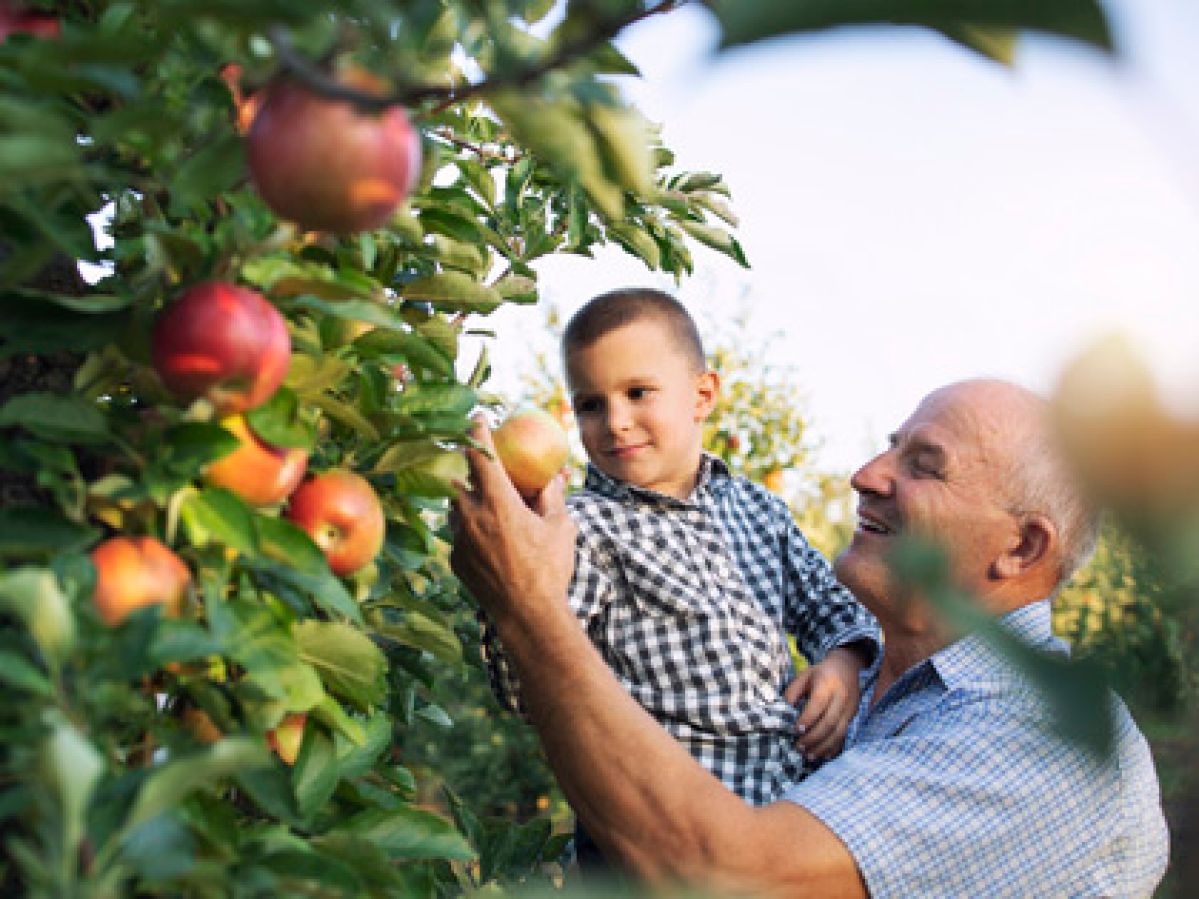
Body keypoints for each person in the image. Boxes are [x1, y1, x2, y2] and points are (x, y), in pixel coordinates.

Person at [451, 377, 1170, 897]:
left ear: (1019, 548)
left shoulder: (1044, 739)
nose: (865, 474)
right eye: (889, 448)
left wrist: (528, 605)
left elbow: (729, 878)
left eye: (924, 465)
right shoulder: (859, 694)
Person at [479, 290, 879, 832]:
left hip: (786, 815)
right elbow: (529, 685)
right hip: (665, 828)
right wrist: (514, 567)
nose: (616, 422)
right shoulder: (582, 529)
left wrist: (844, 660)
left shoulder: (758, 510)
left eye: (638, 393)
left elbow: (830, 605)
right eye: (591, 405)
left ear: (702, 394)